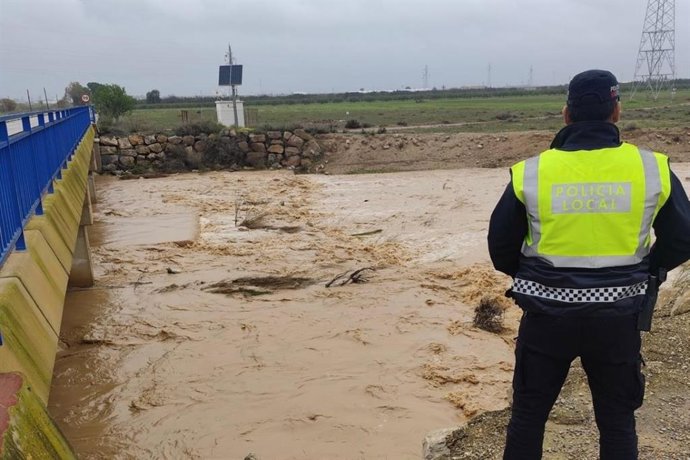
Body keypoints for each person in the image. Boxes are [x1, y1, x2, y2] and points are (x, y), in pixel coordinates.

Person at [488, 69, 690, 459]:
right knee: (616, 422)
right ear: (616, 111)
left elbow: (500, 248)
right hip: (617, 321)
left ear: (566, 115)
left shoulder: (530, 172)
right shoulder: (653, 169)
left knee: (529, 416)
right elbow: (683, 237)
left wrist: (538, 278)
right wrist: (647, 268)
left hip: (546, 319)